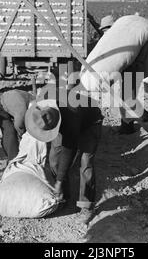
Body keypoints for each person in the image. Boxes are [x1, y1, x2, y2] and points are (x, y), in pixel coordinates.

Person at [26, 93, 103, 224]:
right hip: (63, 119)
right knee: (54, 160)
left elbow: (69, 151)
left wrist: (59, 181)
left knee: (86, 163)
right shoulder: (44, 103)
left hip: (90, 122)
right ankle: (64, 196)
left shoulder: (72, 119)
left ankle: (87, 206)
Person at [0, 89, 35, 161]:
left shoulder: (35, 101)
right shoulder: (22, 112)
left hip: (12, 102)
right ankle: (12, 160)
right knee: (10, 132)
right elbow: (20, 127)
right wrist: (24, 139)